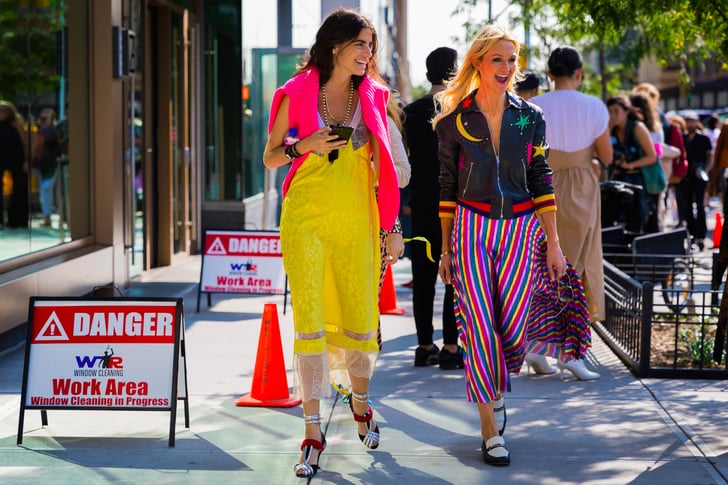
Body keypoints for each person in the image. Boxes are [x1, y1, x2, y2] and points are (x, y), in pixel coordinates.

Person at [262, 8, 399, 479]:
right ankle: (312, 429)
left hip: (358, 218)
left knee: (361, 312)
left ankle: (360, 401)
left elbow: (390, 166)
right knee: (310, 317)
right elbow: (270, 157)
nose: (367, 53)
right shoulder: (297, 91)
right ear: (336, 45)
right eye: (361, 44)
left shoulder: (376, 96)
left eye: (371, 46)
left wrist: (392, 227)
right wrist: (306, 145)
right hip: (306, 218)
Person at [432, 25, 568, 467]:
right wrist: (447, 249)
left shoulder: (530, 117)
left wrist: (554, 243)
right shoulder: (454, 121)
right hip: (471, 226)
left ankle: (496, 381)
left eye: (512, 61)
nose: (507, 69)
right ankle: (490, 430)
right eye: (498, 60)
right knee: (477, 326)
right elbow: (447, 187)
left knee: (511, 328)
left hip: (520, 228)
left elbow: (541, 177)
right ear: (478, 63)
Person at [526, 46, 612, 380]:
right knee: (574, 266)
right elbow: (605, 155)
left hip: (539, 186)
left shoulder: (534, 106)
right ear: (579, 73)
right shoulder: (594, 106)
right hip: (579, 189)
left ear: (549, 74)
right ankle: (570, 350)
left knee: (543, 268)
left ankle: (537, 345)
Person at [403, 46, 463, 370]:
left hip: (422, 203)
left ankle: (425, 346)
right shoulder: (463, 109)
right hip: (455, 204)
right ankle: (452, 348)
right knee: (453, 275)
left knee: (423, 276)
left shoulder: (409, 113)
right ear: (456, 73)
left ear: (427, 76)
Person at [607, 95, 659, 234]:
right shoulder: (611, 129)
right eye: (609, 111)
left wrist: (630, 165)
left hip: (643, 182)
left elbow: (652, 156)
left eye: (616, 111)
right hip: (622, 181)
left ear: (626, 111)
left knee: (646, 221)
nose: (612, 115)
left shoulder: (637, 127)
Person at [676, 110, 712, 250]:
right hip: (685, 178)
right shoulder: (682, 138)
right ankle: (691, 234)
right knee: (687, 208)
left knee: (701, 207)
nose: (690, 123)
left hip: (699, 178)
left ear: (697, 122)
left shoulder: (703, 139)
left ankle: (701, 236)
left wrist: (706, 171)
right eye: (688, 121)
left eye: (692, 120)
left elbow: (710, 156)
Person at [0, 100, 29, 228]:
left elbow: (25, 143)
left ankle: (18, 221)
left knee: (19, 188)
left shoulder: (16, 123)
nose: (0, 113)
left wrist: (27, 160)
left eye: (3, 110)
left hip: (16, 158)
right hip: (1, 158)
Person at [34, 108, 59, 227]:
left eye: (47, 116)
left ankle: (49, 216)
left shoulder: (54, 131)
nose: (44, 117)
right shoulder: (38, 131)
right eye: (43, 115)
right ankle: (46, 217)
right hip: (41, 165)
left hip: (52, 164)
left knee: (47, 189)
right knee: (44, 192)